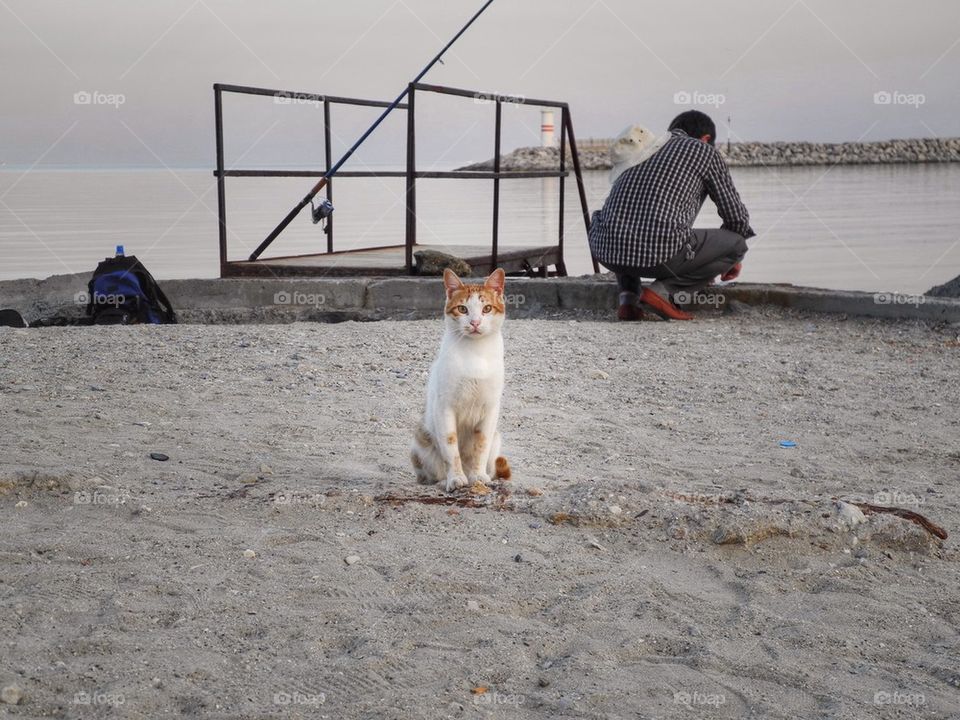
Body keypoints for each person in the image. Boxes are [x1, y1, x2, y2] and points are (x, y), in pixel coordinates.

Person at [588, 110, 755, 321]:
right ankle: (663, 293)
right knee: (738, 243)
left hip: (607, 251)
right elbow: (737, 218)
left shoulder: (645, 148)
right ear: (706, 139)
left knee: (628, 218)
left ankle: (628, 299)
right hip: (657, 256)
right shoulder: (705, 152)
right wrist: (730, 256)